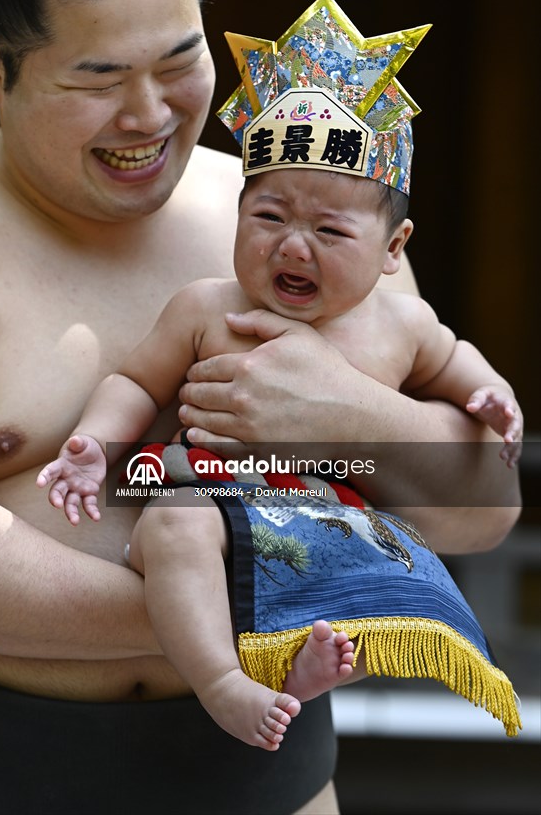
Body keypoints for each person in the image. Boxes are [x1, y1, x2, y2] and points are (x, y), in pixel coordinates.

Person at [0, 0, 521, 815]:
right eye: (99, 78)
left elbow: (478, 509)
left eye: (178, 62)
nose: (151, 113)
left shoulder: (298, 216)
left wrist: (344, 418)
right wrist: (209, 617)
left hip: (266, 783)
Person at [37, 155, 523, 750]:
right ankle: (221, 681)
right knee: (171, 525)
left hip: (329, 513)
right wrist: (94, 445)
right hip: (217, 490)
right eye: (268, 217)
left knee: (382, 576)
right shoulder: (206, 307)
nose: (293, 247)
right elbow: (137, 383)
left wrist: (493, 396)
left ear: (393, 247)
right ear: (236, 218)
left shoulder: (405, 324)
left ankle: (301, 679)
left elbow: (455, 363)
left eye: (330, 231)